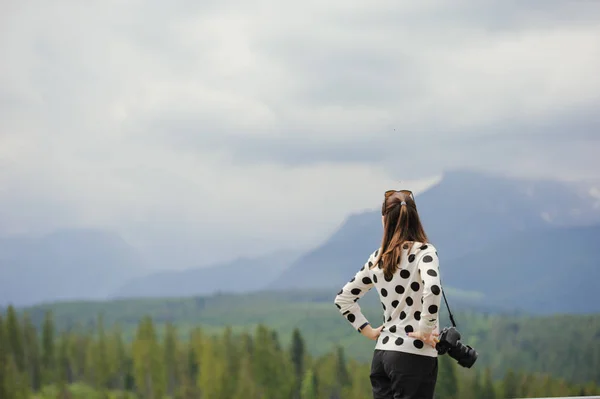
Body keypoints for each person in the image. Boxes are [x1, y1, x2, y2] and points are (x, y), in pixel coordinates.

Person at [334, 189, 443, 399]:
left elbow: (344, 299)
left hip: (382, 355)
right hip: (414, 355)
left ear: (385, 220)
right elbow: (433, 288)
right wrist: (425, 330)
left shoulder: (377, 258)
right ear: (414, 217)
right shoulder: (424, 252)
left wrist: (369, 331)